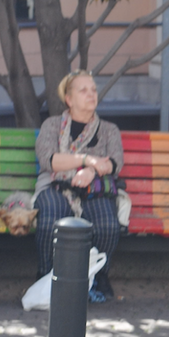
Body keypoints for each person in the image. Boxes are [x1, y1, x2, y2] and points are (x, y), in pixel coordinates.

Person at [34, 70, 123, 302]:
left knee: (107, 225)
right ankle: (45, 275)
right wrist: (88, 160)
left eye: (93, 89)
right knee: (49, 218)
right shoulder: (52, 125)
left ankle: (98, 276)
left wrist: (91, 171)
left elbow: (114, 163)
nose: (91, 94)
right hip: (55, 185)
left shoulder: (109, 130)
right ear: (69, 99)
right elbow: (50, 161)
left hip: (94, 188)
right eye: (83, 90)